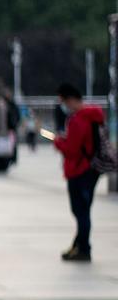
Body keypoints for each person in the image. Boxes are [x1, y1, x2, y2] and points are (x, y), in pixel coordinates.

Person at [53, 83, 105, 262]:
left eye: (64, 102)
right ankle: (79, 245)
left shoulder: (78, 120)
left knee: (80, 211)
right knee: (84, 210)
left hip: (79, 170)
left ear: (70, 99)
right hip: (92, 168)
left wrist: (58, 142)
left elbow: (72, 150)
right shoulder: (93, 115)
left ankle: (83, 249)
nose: (64, 106)